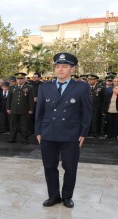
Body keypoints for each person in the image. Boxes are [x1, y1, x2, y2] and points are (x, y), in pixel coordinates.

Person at [35, 53, 91, 209]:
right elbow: (39, 111)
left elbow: (87, 112)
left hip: (71, 133)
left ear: (72, 68)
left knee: (70, 167)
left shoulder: (81, 87)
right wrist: (38, 131)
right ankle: (53, 196)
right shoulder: (44, 87)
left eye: (64, 66)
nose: (60, 69)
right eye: (57, 66)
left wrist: (83, 133)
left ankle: (67, 197)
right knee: (49, 166)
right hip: (48, 132)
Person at [7, 72, 35, 144]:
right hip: (14, 109)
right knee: (13, 125)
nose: (20, 80)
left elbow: (31, 100)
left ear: (24, 79)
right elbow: (9, 99)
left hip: (24, 110)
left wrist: (31, 109)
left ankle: (24, 139)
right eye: (18, 79)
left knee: (24, 126)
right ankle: (12, 138)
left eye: (21, 79)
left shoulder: (29, 88)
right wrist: (8, 108)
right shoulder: (12, 87)